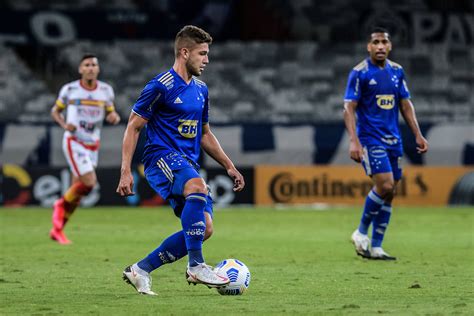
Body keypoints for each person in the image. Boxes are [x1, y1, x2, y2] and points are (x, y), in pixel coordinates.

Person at [117, 25, 245, 295]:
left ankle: (140, 269)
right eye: (202, 53)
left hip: (186, 163)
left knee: (204, 228)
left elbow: (205, 134)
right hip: (159, 158)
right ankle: (196, 265)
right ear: (184, 52)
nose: (207, 60)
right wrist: (125, 171)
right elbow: (133, 126)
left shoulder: (201, 90)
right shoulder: (160, 86)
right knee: (198, 187)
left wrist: (230, 166)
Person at [343, 27, 429, 260]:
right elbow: (349, 108)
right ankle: (361, 232)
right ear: (368, 47)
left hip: (394, 140)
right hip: (371, 139)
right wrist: (354, 141)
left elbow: (405, 105)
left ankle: (377, 247)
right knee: (385, 184)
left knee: (390, 193)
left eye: (384, 42)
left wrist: (418, 134)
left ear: (390, 46)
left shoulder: (397, 71)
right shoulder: (359, 73)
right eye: (376, 42)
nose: (380, 46)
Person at [50, 53, 121, 244]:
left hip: (93, 145)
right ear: (80, 69)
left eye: (93, 65)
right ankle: (59, 205)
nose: (90, 68)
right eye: (86, 65)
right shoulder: (70, 89)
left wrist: (113, 117)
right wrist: (65, 125)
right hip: (74, 141)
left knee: (78, 192)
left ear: (97, 69)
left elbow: (110, 111)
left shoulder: (106, 90)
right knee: (89, 183)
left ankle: (58, 230)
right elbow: (55, 111)